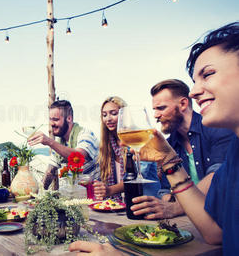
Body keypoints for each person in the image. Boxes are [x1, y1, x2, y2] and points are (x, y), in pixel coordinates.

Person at [70, 22, 239, 255]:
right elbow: (214, 232)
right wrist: (169, 160)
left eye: (208, 74)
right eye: (194, 81)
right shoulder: (231, 155)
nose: (194, 91)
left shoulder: (223, 134)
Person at [131, 79, 234, 220]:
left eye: (161, 108)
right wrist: (167, 202)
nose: (155, 115)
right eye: (154, 109)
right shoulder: (168, 144)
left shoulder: (217, 127)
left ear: (183, 104)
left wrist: (177, 206)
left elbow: (219, 176)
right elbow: (166, 190)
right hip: (191, 220)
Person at [93, 96, 159, 201]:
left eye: (114, 113)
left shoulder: (139, 138)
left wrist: (109, 190)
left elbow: (138, 176)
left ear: (125, 116)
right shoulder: (107, 145)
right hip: (121, 206)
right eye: (104, 115)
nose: (108, 118)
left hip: (148, 202)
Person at [28, 99, 100, 180]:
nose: (51, 124)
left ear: (69, 118)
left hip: (94, 190)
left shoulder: (86, 134)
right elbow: (50, 171)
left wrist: (49, 142)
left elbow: (79, 156)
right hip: (73, 191)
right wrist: (40, 189)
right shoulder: (60, 144)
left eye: (55, 119)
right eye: (50, 119)